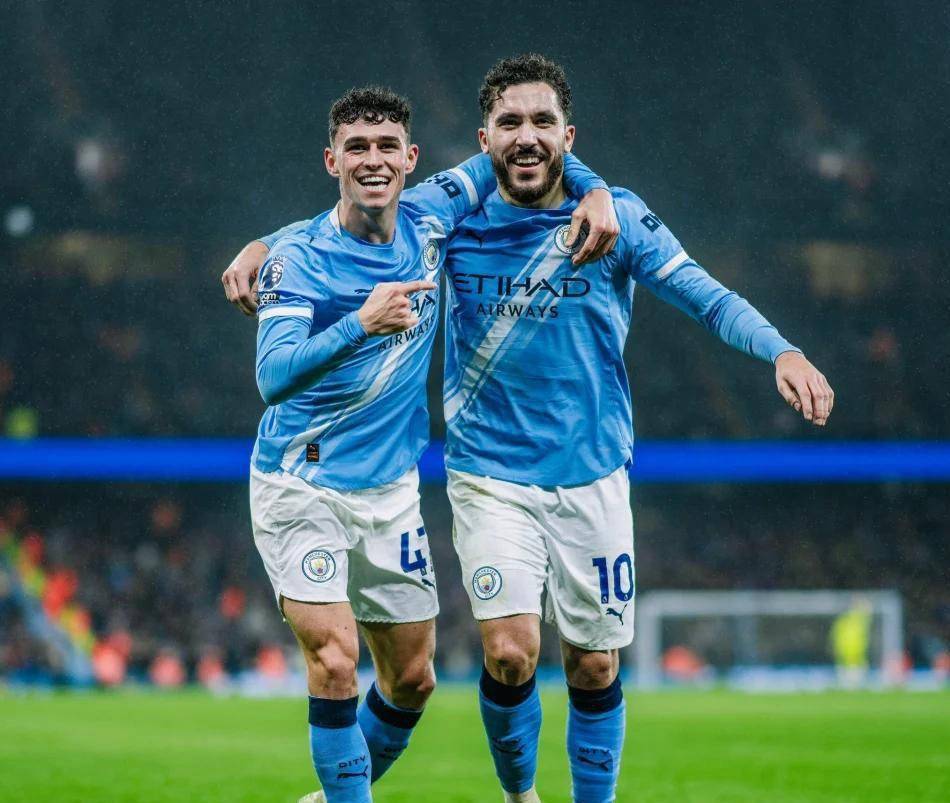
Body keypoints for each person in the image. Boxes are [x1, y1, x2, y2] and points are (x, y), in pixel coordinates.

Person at [227, 55, 834, 803]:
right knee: (509, 653)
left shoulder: (615, 218)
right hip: (484, 474)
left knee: (587, 666)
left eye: (543, 122)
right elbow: (351, 212)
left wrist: (781, 349)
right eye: (509, 123)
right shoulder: (454, 216)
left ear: (568, 137)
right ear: (482, 140)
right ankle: (520, 797)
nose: (526, 136)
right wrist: (264, 246)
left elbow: (706, 295)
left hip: (592, 473)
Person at [232, 84, 616, 803]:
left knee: (412, 678)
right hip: (302, 484)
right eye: (356, 148)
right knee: (336, 662)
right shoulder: (299, 261)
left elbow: (523, 147)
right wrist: (360, 323)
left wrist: (597, 193)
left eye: (387, 147)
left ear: (412, 159)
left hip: (391, 491)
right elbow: (272, 376)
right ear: (332, 161)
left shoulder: (434, 212)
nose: (372, 160)